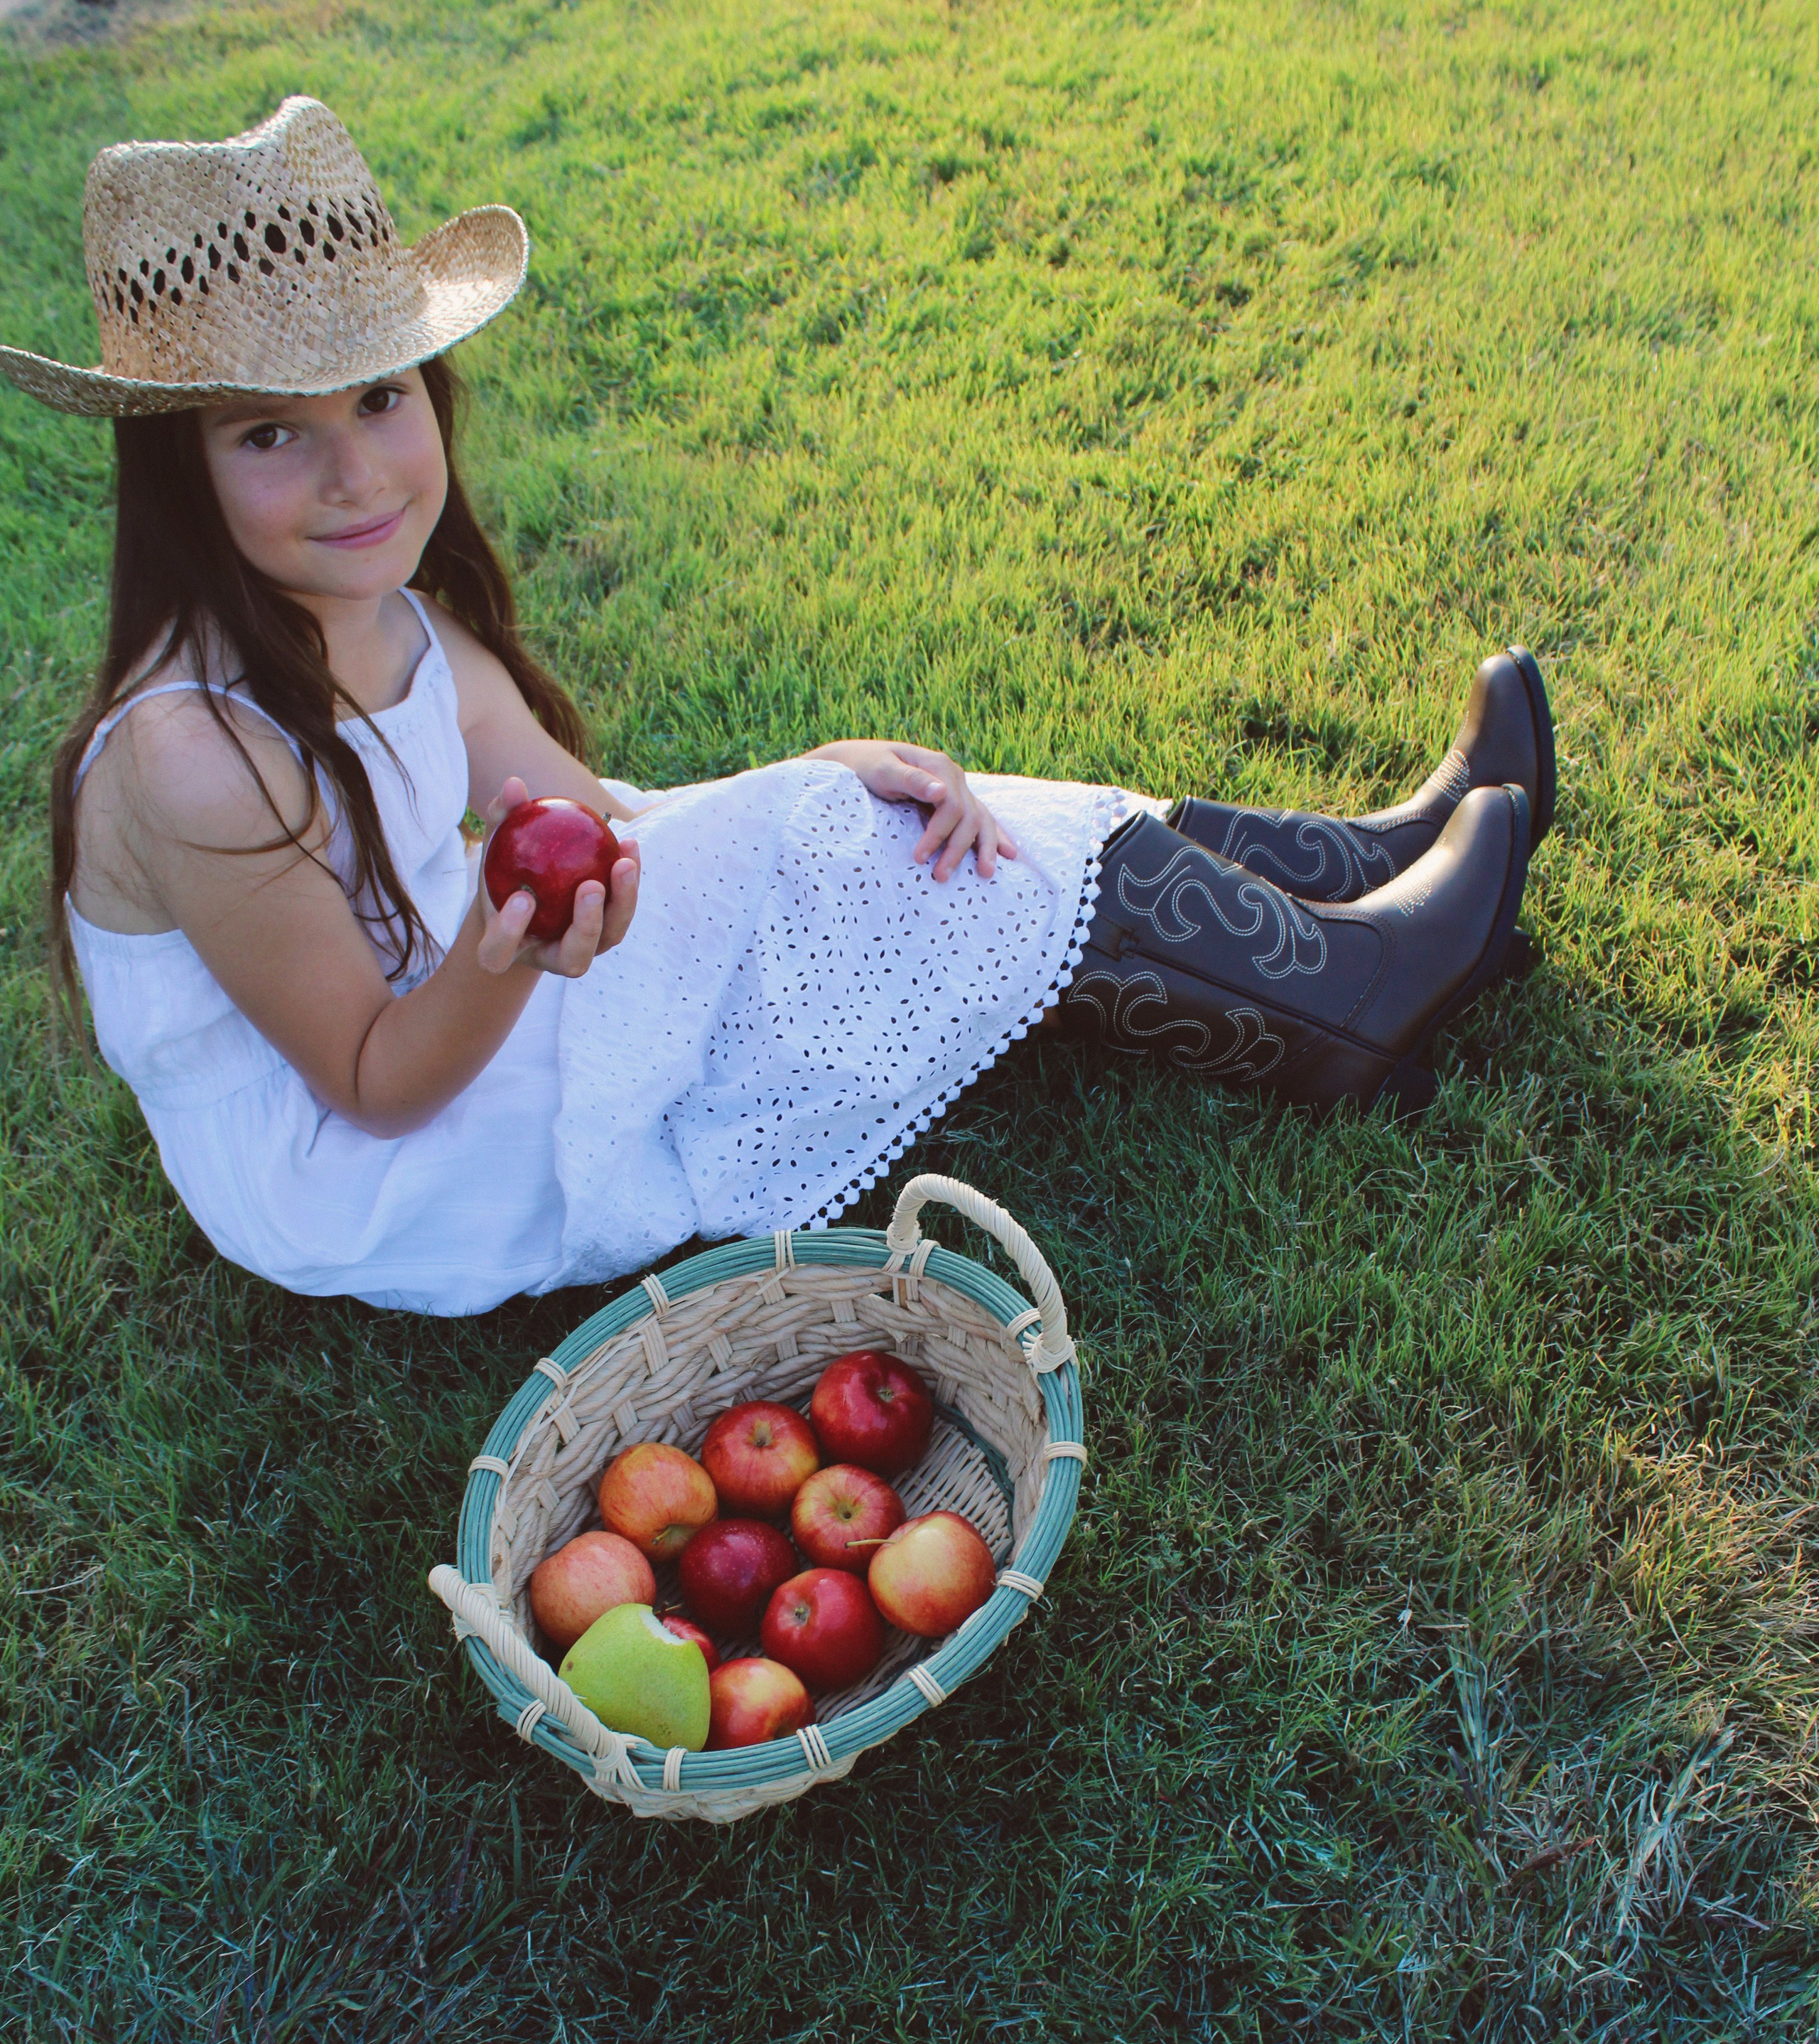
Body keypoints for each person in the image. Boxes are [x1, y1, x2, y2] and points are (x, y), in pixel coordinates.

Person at [2, 99, 1549, 1316]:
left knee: (864, 826)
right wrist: (506, 948)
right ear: (175, 469)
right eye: (271, 431)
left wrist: (811, 773)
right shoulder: (193, 757)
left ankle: (1344, 874)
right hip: (384, 1163)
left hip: (448, 1014)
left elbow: (603, 819)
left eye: (381, 399)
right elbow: (374, 1088)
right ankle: (1353, 1004)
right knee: (849, 864)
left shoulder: (381, 616)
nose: (356, 472)